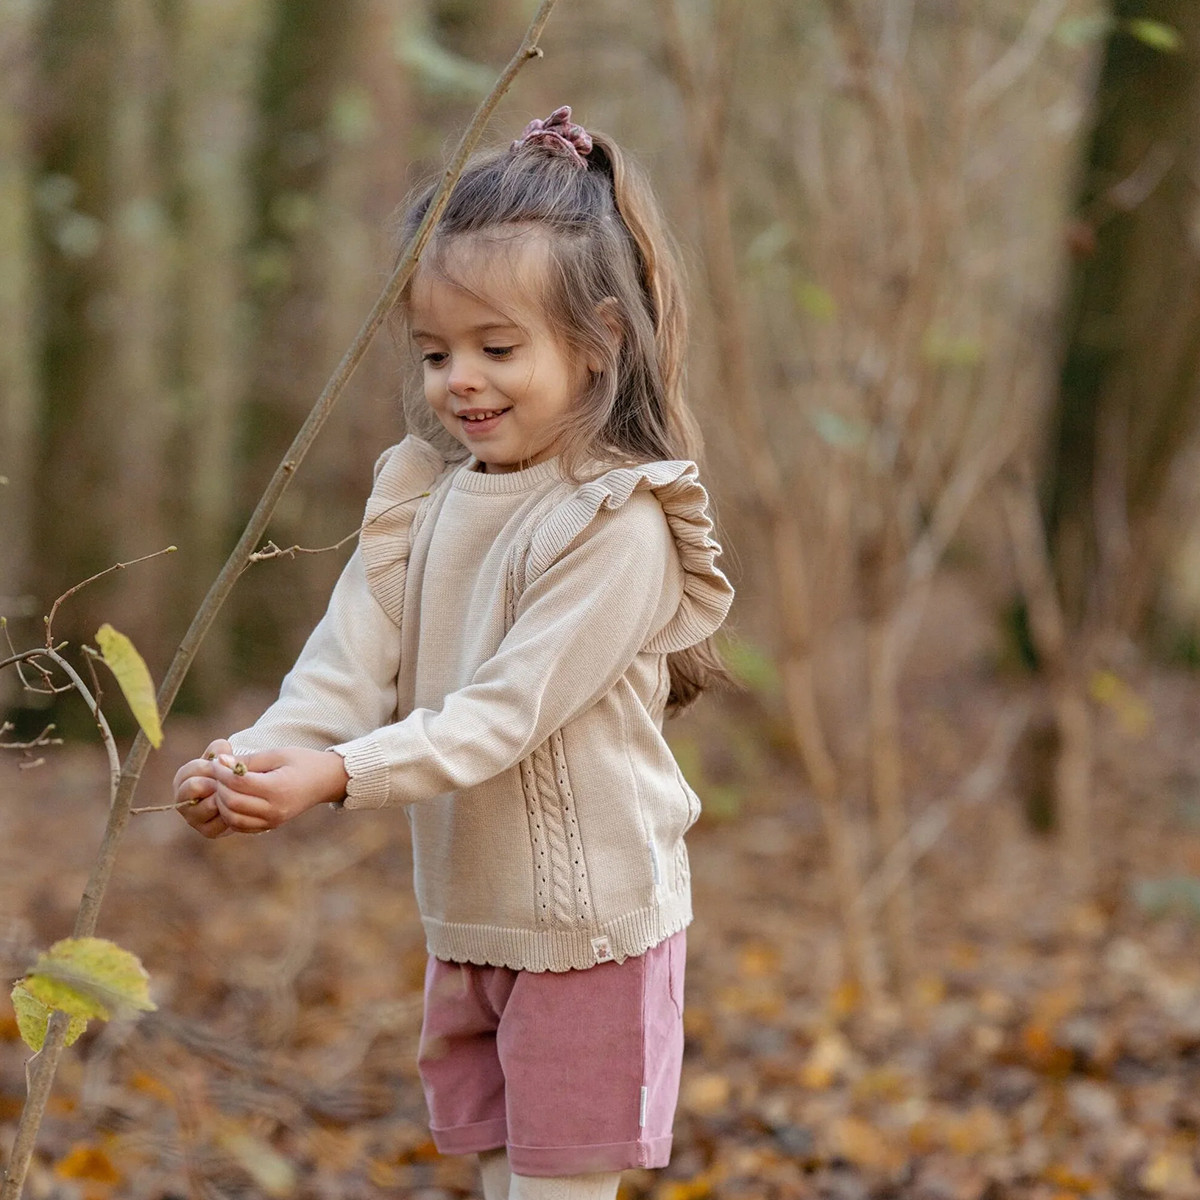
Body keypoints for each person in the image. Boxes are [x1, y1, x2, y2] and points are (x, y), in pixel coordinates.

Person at [172, 106, 734, 1200]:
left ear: (600, 342)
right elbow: (347, 661)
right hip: (470, 921)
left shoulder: (620, 524)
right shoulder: (424, 498)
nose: (459, 381)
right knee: (493, 1179)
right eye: (435, 353)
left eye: (496, 348)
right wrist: (253, 760)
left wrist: (340, 775)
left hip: (589, 935)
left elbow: (504, 713)